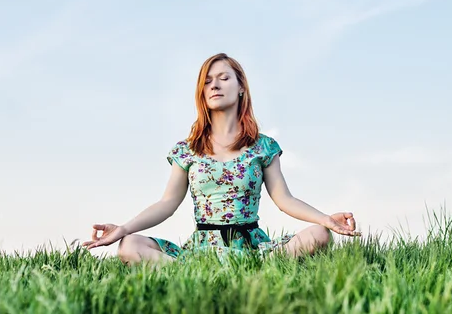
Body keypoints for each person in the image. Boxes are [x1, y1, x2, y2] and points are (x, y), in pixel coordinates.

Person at [83, 53, 361, 264]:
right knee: (129, 246)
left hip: (253, 247)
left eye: (223, 78)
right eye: (207, 81)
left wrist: (326, 220)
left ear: (241, 87)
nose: (214, 85)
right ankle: (192, 275)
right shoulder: (187, 149)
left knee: (319, 235)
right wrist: (122, 229)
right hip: (203, 248)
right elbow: (167, 203)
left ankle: (253, 270)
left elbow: (285, 200)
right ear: (202, 94)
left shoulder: (263, 147)